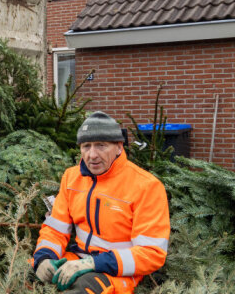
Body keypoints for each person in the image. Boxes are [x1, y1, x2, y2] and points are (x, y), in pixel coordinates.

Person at [33, 112, 170, 294]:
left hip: (116, 271)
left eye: (101, 146)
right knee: (29, 274)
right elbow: (55, 229)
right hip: (75, 259)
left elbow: (151, 253)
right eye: (86, 146)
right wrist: (43, 258)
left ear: (119, 147)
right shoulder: (71, 178)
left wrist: (92, 263)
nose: (92, 155)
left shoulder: (147, 186)